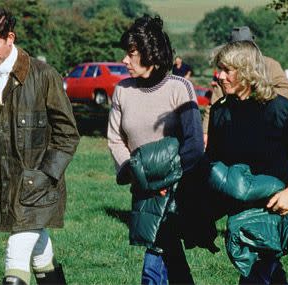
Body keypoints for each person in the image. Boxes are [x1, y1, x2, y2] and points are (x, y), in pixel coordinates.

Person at [0, 7, 79, 285]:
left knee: (15, 257)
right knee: (39, 254)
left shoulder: (44, 75)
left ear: (10, 37)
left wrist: (46, 175)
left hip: (40, 188)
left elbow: (67, 133)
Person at [206, 40, 288, 284]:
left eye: (227, 70)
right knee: (267, 274)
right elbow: (212, 164)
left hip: (274, 210)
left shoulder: (281, 110)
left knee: (256, 275)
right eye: (219, 69)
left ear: (247, 72)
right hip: (238, 213)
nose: (220, 76)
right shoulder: (219, 113)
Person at [107, 15, 203, 285]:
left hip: (177, 190)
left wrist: (164, 181)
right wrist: (138, 176)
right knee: (169, 255)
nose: (125, 60)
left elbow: (194, 145)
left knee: (156, 257)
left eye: (131, 53)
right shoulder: (122, 90)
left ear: (151, 54)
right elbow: (115, 139)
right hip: (142, 189)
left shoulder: (179, 88)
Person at [202, 26, 288, 134]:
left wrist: (262, 98)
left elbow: (287, 90)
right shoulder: (225, 70)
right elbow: (215, 102)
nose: (222, 75)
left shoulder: (270, 64)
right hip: (233, 121)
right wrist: (205, 132)